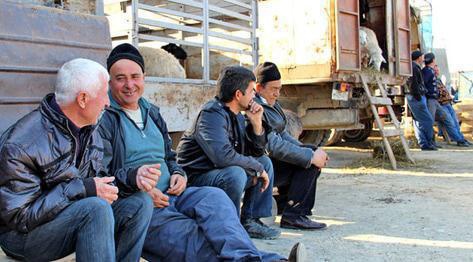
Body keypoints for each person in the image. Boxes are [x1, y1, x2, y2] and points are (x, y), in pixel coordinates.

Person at [99, 44, 302, 261]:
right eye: (120, 78)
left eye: (135, 76)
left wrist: (178, 173)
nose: (129, 85)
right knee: (192, 236)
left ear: (144, 77)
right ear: (110, 82)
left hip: (175, 193)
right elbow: (101, 175)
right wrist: (137, 191)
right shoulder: (105, 118)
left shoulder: (151, 111)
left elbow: (169, 156)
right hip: (142, 204)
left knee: (216, 200)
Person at [0, 58, 153, 261]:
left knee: (140, 203)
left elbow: (97, 181)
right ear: (82, 99)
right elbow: (20, 217)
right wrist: (83, 189)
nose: (108, 102)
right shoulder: (21, 145)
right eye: (103, 95)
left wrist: (132, 178)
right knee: (95, 209)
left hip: (67, 214)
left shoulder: (89, 129)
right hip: (21, 236)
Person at [177, 66, 280, 239]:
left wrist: (256, 125)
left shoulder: (237, 114)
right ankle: (228, 225)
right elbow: (222, 157)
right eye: (251, 91)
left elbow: (254, 152)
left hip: (217, 173)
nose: (254, 95)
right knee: (236, 174)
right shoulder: (211, 114)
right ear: (238, 95)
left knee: (264, 162)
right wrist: (256, 168)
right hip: (194, 178)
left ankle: (250, 221)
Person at [253, 62, 327, 230]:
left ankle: (283, 204)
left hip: (270, 161)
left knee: (310, 152)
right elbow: (273, 145)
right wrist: (308, 157)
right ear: (259, 87)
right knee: (308, 162)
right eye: (274, 89)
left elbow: (283, 134)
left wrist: (306, 150)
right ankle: (295, 215)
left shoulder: (272, 104)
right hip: (261, 166)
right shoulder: (255, 107)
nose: (277, 94)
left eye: (279, 88)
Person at [422, 53, 469, 147]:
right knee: (430, 121)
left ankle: (459, 139)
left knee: (448, 120)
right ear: (433, 60)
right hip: (431, 100)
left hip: (435, 101)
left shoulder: (430, 72)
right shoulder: (427, 72)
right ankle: (430, 142)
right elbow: (424, 85)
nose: (437, 68)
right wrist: (428, 94)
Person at [434, 64, 472, 145]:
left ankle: (461, 138)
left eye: (437, 70)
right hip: (441, 105)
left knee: (455, 122)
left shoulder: (438, 80)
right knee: (450, 122)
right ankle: (459, 140)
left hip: (447, 103)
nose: (437, 72)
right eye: (435, 70)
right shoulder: (433, 80)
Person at [406, 50, 436, 150]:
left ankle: (424, 144)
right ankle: (429, 143)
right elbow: (413, 83)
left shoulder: (413, 67)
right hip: (416, 97)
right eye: (422, 56)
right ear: (419, 58)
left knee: (418, 121)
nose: (424, 58)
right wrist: (418, 96)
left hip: (414, 96)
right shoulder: (414, 68)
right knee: (428, 120)